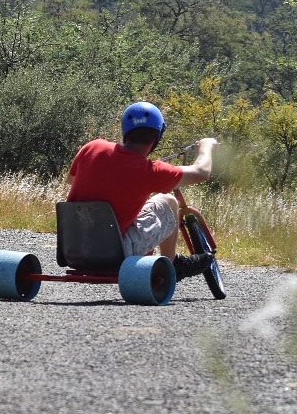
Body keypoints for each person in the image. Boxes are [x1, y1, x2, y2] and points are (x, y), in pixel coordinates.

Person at [66, 100, 218, 281]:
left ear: (125, 131)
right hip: (114, 254)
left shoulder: (93, 147)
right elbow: (202, 172)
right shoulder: (150, 171)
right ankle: (171, 266)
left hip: (73, 247)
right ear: (157, 137)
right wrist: (206, 147)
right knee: (168, 202)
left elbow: (71, 180)